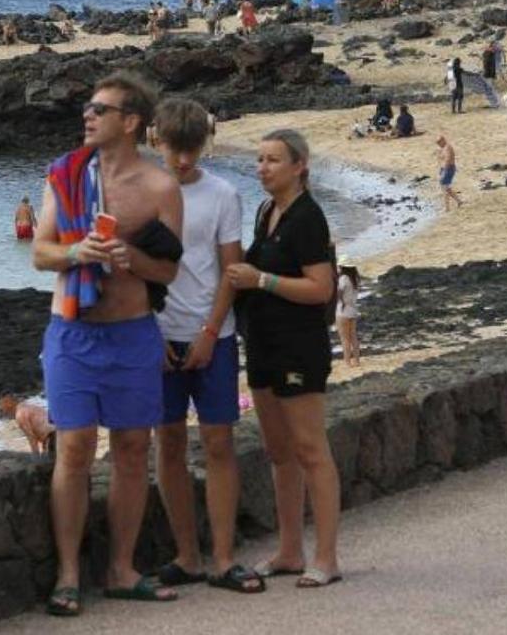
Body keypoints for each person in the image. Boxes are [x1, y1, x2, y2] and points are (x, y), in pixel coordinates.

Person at [31, 72, 184, 614]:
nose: (87, 116)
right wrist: (79, 253)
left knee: (131, 449)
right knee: (73, 449)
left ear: (131, 121)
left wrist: (127, 257)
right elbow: (41, 253)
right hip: (73, 332)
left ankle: (122, 568)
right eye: (88, 107)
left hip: (132, 333)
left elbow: (166, 270)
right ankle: (68, 574)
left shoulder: (160, 187)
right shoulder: (66, 176)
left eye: (100, 108)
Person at [147, 98, 262, 592]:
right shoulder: (141, 193)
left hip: (213, 332)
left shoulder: (223, 194)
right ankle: (187, 555)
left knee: (219, 442)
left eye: (192, 149)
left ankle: (221, 557)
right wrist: (151, 332)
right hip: (156, 335)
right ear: (157, 141)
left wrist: (211, 332)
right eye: (176, 149)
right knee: (168, 443)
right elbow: (130, 270)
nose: (185, 159)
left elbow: (230, 270)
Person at [226, 129, 342, 588]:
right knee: (278, 452)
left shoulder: (307, 218)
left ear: (299, 166)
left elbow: (321, 288)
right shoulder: (265, 211)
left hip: (299, 345)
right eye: (259, 160)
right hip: (261, 342)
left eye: (273, 160)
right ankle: (290, 550)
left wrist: (261, 281)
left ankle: (327, 558)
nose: (262, 167)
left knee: (311, 449)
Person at [335, 259, 361, 367]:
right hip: (353, 310)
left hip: (343, 311)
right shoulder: (355, 278)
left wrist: (341, 302)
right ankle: (357, 360)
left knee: (344, 338)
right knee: (353, 337)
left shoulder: (343, 278)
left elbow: (339, 293)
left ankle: (347, 362)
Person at [436, 134, 464, 211]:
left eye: (439, 142)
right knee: (446, 188)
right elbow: (441, 159)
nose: (438, 144)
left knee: (445, 188)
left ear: (443, 140)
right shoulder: (442, 148)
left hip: (448, 169)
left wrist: (444, 171)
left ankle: (447, 208)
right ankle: (459, 201)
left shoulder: (448, 147)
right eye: (437, 143)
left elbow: (448, 160)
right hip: (444, 169)